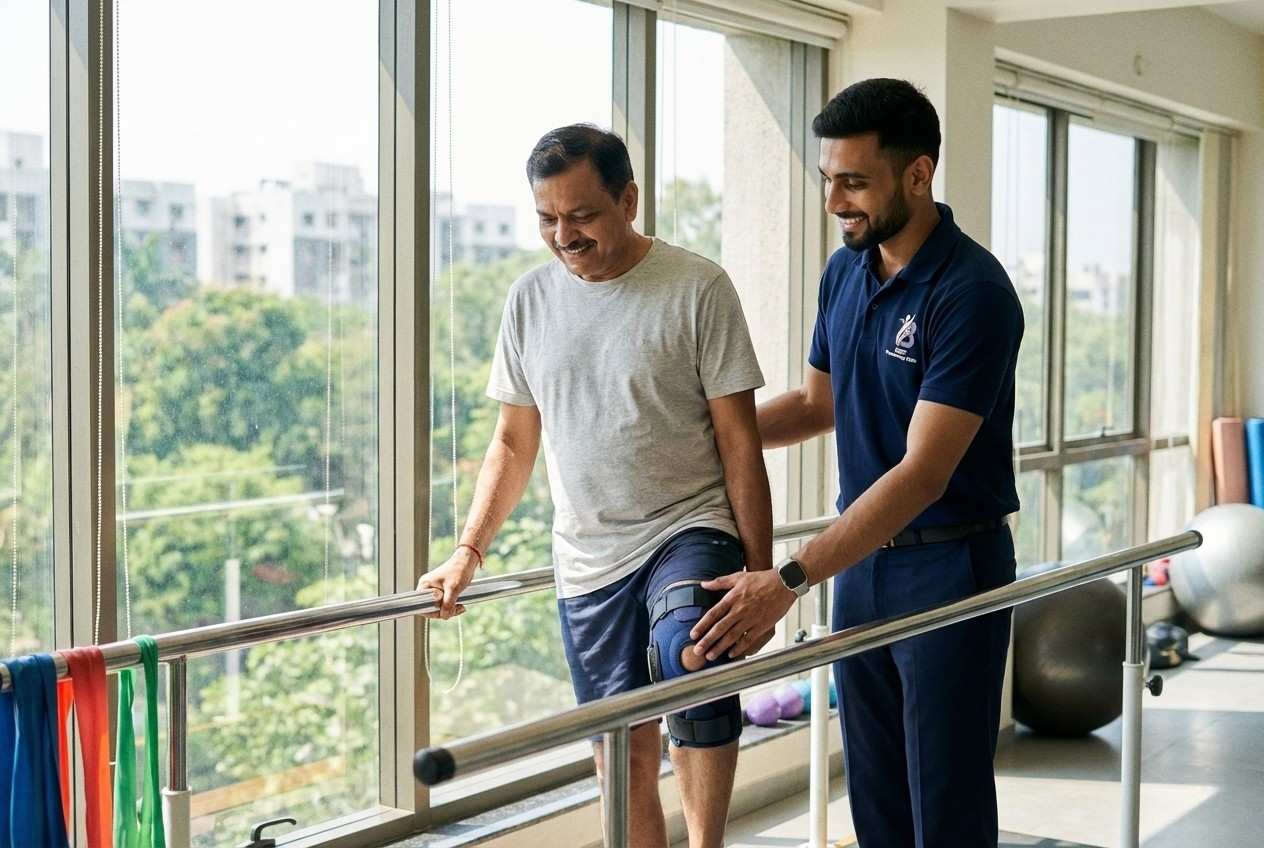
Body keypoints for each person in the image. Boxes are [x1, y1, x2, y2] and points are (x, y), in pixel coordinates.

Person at [689, 79, 1024, 847]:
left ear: (918, 173)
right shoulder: (846, 270)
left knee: (944, 806)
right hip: (865, 569)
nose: (836, 201)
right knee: (874, 795)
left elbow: (922, 473)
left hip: (950, 565)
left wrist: (790, 579)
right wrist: (699, 443)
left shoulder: (973, 292)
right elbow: (815, 405)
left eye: (854, 182)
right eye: (826, 180)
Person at [418, 123, 773, 848]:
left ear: (629, 199)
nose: (563, 234)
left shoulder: (696, 287)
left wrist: (761, 575)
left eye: (581, 215)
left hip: (687, 526)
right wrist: (467, 551)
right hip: (587, 559)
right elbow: (513, 443)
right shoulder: (529, 301)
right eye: (547, 218)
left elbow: (740, 442)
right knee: (622, 756)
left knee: (690, 651)